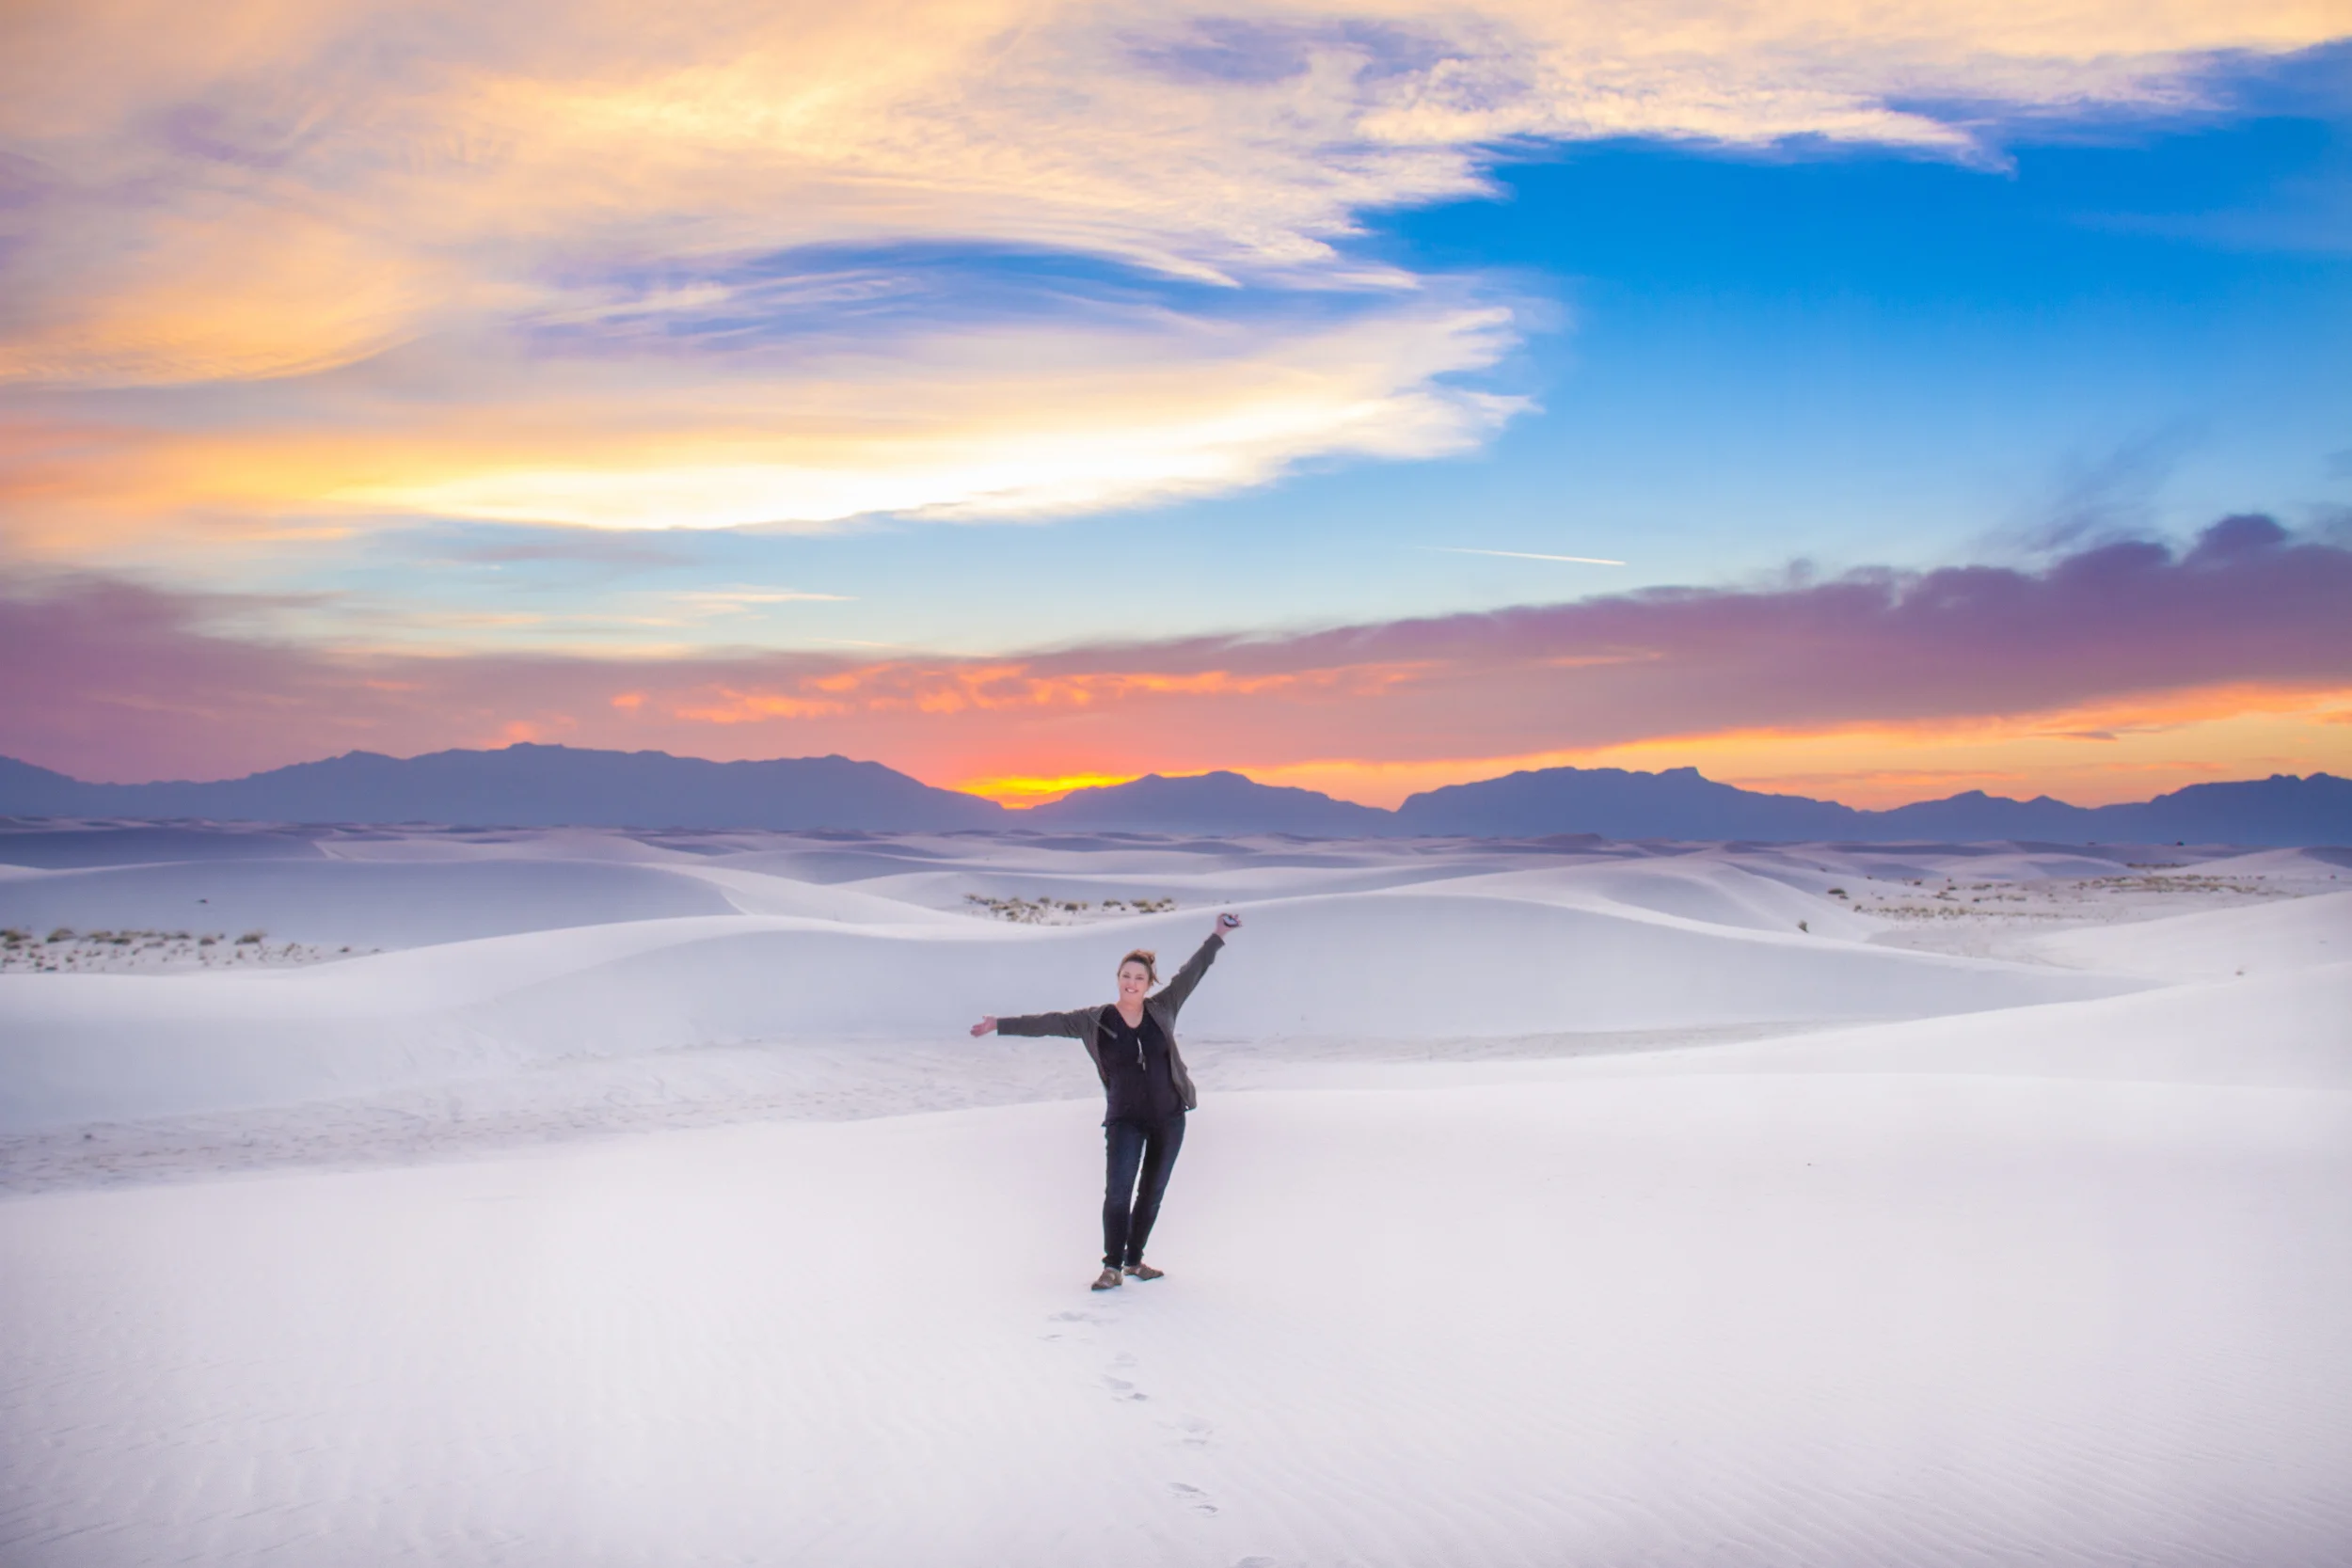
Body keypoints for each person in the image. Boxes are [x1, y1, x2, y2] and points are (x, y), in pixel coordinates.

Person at [971, 912, 1242, 1291]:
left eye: (1139, 977)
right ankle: (1111, 1265)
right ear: (1118, 979)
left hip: (1169, 1117)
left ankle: (1134, 1261)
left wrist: (1218, 934)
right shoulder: (1094, 1020)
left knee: (1152, 1192)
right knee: (1118, 1190)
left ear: (1149, 983)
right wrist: (999, 1024)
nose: (1131, 983)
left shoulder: (1163, 1008)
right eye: (1126, 976)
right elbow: (1048, 1023)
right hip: (1124, 1120)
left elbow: (1192, 972)